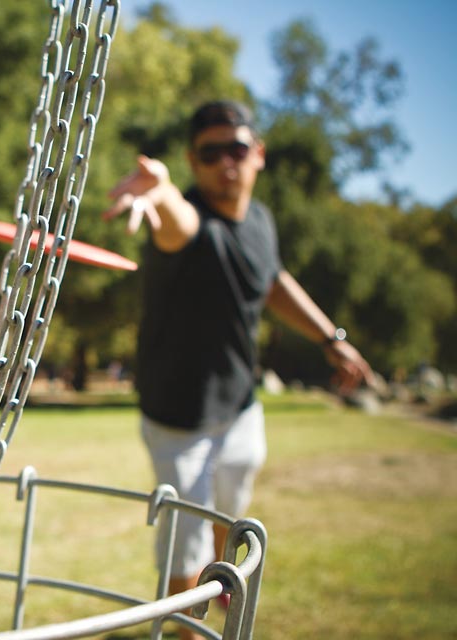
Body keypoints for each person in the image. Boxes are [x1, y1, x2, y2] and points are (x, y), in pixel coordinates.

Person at [102, 100, 374, 640]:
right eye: (210, 152)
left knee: (232, 513)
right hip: (179, 419)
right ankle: (188, 628)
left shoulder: (260, 222)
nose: (226, 161)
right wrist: (159, 192)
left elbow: (270, 280)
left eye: (237, 148)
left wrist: (330, 337)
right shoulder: (187, 219)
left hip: (240, 407)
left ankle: (219, 582)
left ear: (259, 154)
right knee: (187, 541)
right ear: (193, 162)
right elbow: (179, 223)